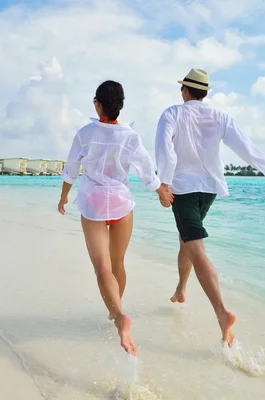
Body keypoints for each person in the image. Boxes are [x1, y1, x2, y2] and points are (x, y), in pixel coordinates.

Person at [154, 68, 265, 347]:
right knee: (186, 240)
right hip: (210, 190)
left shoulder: (172, 114)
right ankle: (181, 289)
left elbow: (165, 149)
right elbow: (244, 145)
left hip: (184, 188)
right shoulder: (220, 117)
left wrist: (164, 183)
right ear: (204, 93)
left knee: (196, 247)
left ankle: (221, 312)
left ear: (185, 91)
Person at [58, 80, 173, 356]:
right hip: (121, 203)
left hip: (93, 203)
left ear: (97, 103)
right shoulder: (130, 136)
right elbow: (147, 172)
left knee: (102, 269)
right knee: (118, 263)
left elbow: (71, 169)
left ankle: (118, 316)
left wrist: (63, 197)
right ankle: (116, 313)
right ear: (120, 105)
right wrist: (162, 193)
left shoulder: (85, 133)